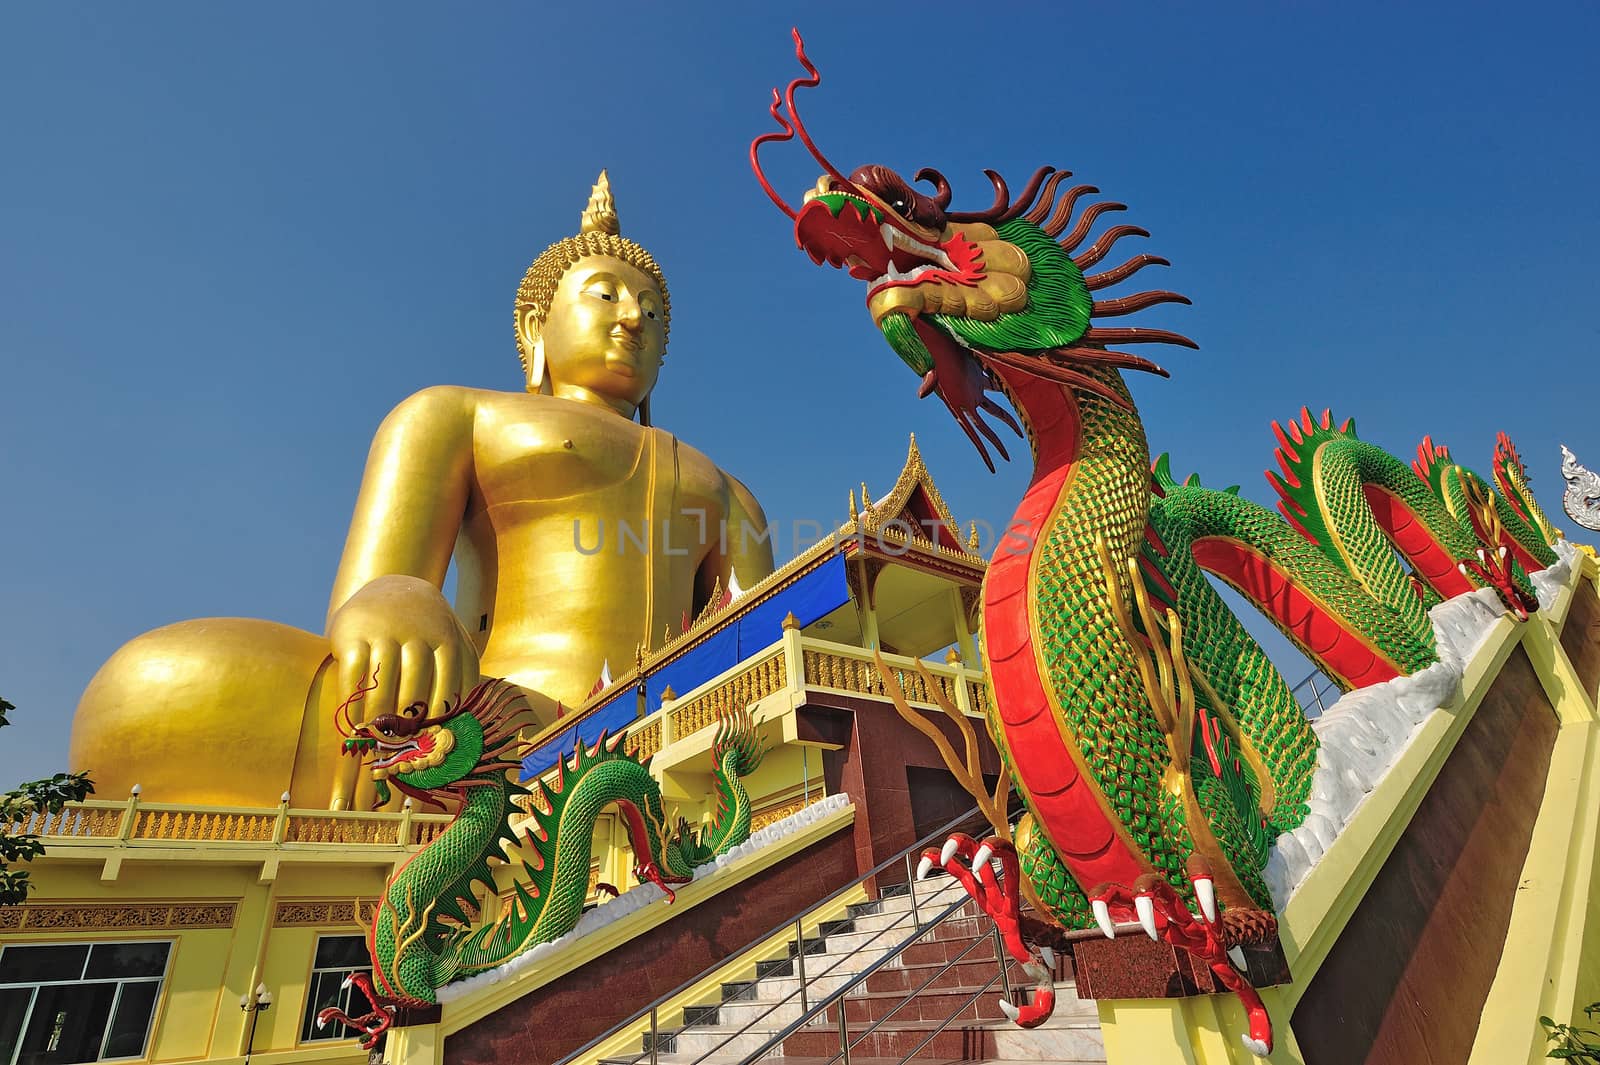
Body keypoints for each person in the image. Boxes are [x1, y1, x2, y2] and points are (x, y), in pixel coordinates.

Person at [70, 173, 774, 809]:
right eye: (608, 296)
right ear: (537, 327)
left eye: (653, 314)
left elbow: (765, 638)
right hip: (492, 718)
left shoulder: (725, 489)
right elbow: (370, 595)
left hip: (672, 725)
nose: (633, 320)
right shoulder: (458, 414)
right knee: (147, 690)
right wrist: (398, 596)